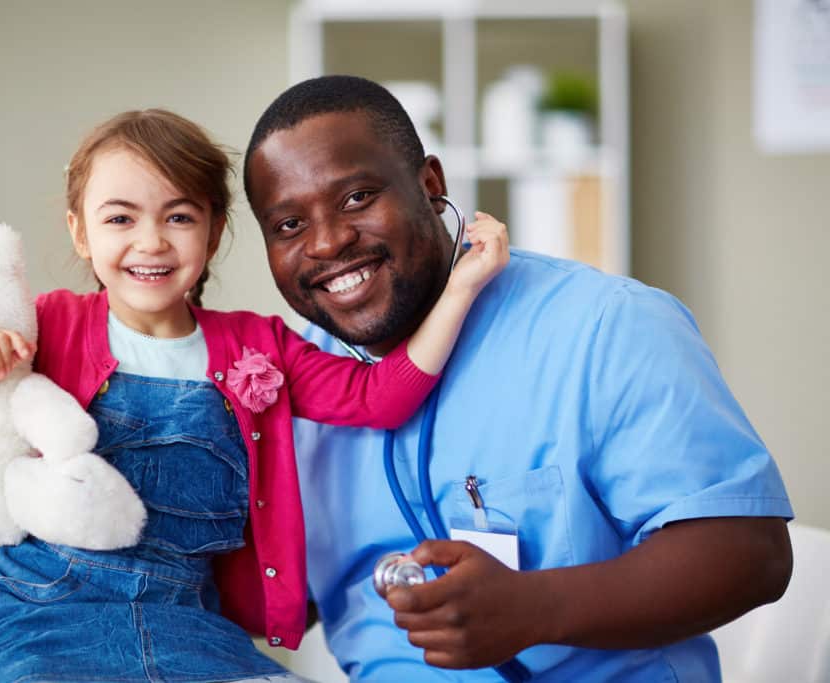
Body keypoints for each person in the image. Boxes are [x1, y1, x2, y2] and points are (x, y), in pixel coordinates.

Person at [0, 108, 509, 683]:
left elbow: (380, 397)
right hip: (39, 623)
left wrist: (459, 290)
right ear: (80, 232)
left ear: (214, 231)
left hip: (191, 626)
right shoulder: (48, 325)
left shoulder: (260, 344)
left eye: (178, 217)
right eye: (120, 219)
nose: (151, 242)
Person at [243, 75, 794, 682]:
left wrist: (536, 608)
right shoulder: (283, 387)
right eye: (288, 225)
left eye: (357, 198)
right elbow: (277, 596)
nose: (328, 242)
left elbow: (751, 555)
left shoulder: (604, 326)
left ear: (430, 186)